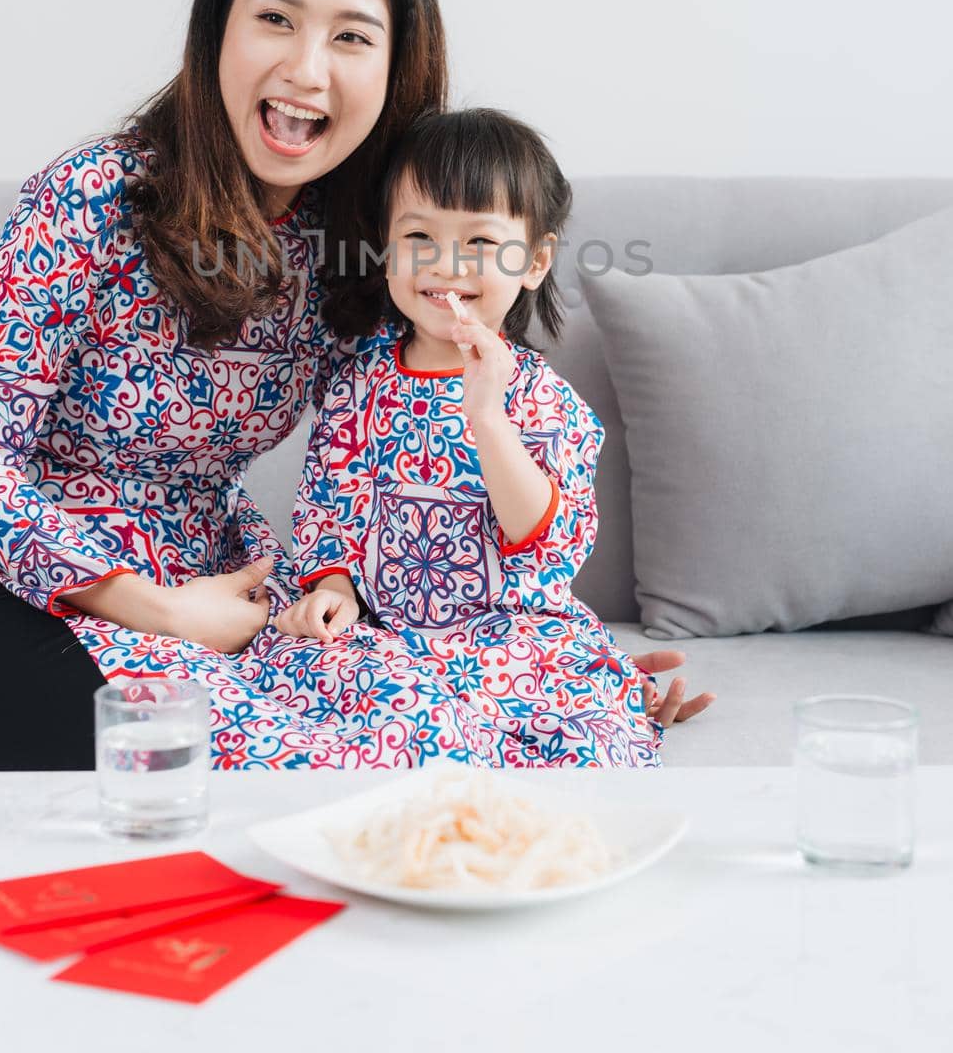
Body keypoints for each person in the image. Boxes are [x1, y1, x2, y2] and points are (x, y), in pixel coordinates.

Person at [0, 0, 708, 772]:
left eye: (351, 37)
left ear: (396, 67)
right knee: (160, 767)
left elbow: (413, 485)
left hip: (227, 580)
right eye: (275, 18)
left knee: (368, 763)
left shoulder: (374, 244)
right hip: (21, 579)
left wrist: (552, 675)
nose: (306, 70)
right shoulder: (91, 197)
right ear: (216, 33)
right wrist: (161, 610)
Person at [274, 108, 716, 764]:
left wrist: (488, 417)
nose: (446, 263)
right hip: (385, 637)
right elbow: (331, 507)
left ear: (534, 261)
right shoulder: (357, 384)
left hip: (507, 638)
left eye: (480, 244)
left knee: (589, 734)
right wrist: (333, 590)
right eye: (419, 235)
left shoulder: (542, 401)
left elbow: (546, 541)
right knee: (314, 694)